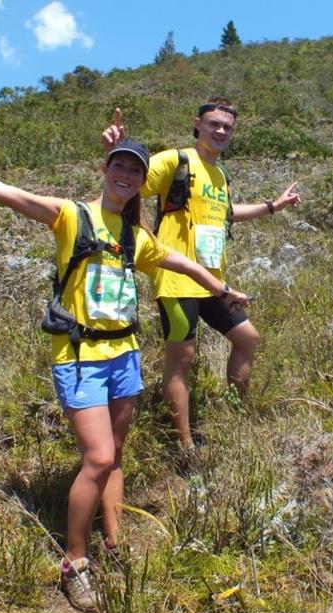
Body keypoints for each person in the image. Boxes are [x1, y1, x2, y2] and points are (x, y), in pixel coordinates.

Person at [0, 140, 248, 613]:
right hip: (79, 356)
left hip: (124, 353)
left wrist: (222, 288)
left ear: (141, 182)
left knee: (115, 454)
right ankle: (75, 564)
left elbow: (178, 261)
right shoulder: (71, 216)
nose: (125, 175)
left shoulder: (135, 234)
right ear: (105, 169)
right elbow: (4, 192)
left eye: (134, 171)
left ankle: (114, 544)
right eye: (119, 165)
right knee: (97, 458)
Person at [102, 99, 301, 451]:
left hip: (212, 281)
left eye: (227, 126)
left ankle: (235, 413)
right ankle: (184, 444)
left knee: (247, 339)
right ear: (198, 124)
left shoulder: (220, 175)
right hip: (177, 278)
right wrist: (114, 151)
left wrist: (273, 206)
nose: (221, 131)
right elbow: (128, 185)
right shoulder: (174, 161)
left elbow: (226, 214)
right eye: (214, 124)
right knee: (183, 359)